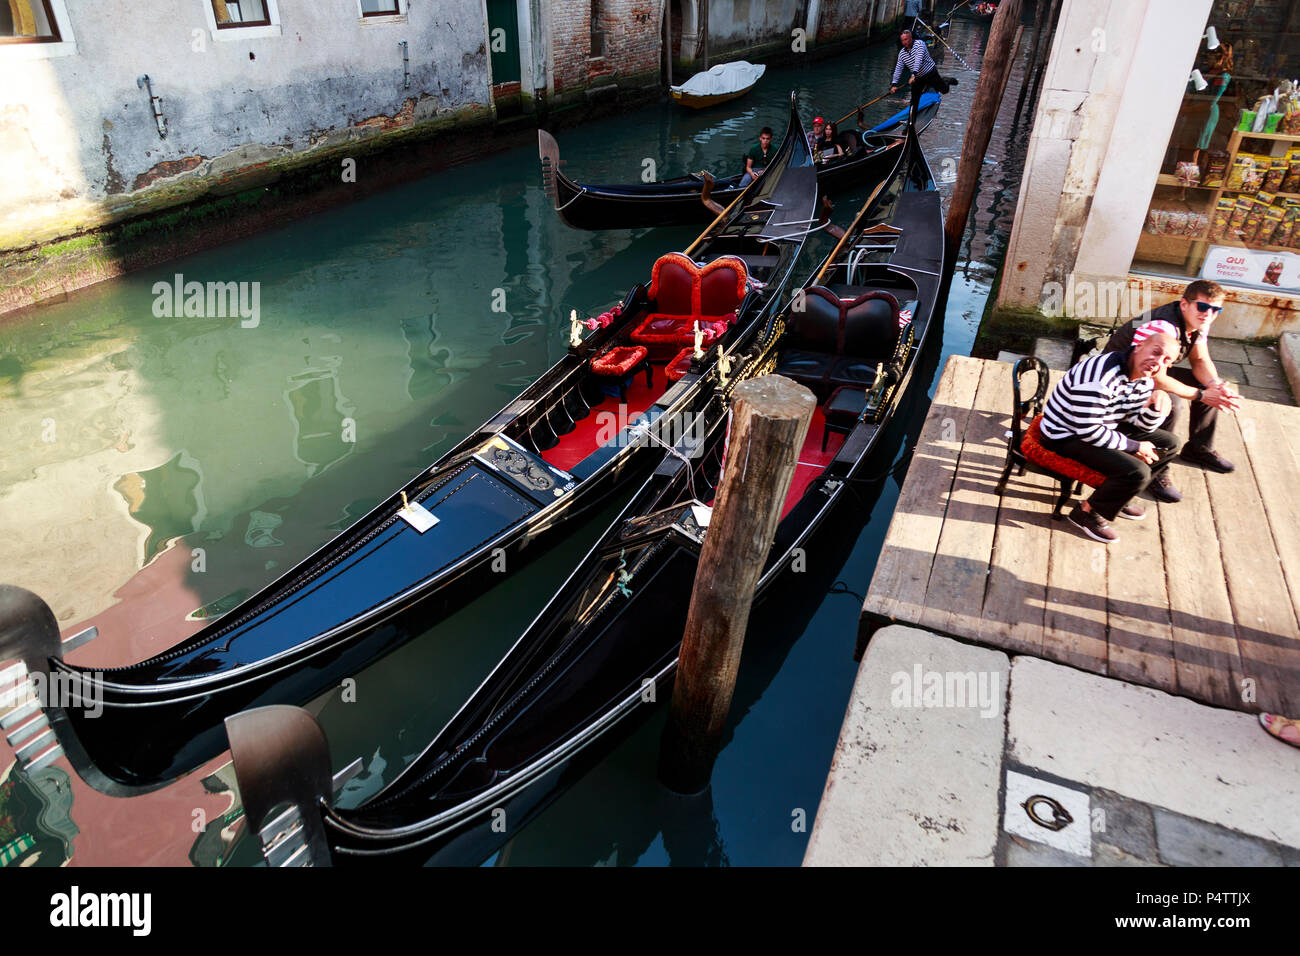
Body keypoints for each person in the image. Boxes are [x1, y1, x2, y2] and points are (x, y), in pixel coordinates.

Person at [1039, 323, 1183, 544]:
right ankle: (1085, 513)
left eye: (1166, 360)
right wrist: (1134, 446)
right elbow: (1089, 432)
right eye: (1155, 352)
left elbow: (1137, 422)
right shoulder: (1101, 378)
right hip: (1065, 434)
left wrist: (1154, 409)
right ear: (1139, 346)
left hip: (1102, 426)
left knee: (1170, 443)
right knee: (1137, 472)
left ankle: (1116, 497)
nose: (1158, 362)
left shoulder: (1143, 376)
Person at [1103, 279, 1243, 504]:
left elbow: (1199, 359)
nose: (1208, 314)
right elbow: (1154, 377)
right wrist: (1199, 395)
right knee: (1170, 404)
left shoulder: (1198, 322)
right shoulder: (1163, 327)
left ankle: (1199, 448)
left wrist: (1215, 385)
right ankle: (1157, 470)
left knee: (1207, 387)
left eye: (1216, 309)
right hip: (1117, 381)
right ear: (1184, 304)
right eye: (1203, 307)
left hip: (1145, 374)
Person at [889, 29, 953, 110]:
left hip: (930, 72)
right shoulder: (902, 53)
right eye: (902, 40)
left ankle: (946, 82)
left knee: (944, 90)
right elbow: (898, 68)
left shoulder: (920, 44)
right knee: (914, 100)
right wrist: (894, 85)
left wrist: (913, 75)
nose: (904, 42)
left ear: (911, 38)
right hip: (918, 77)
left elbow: (918, 60)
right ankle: (911, 122)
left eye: (906, 39)